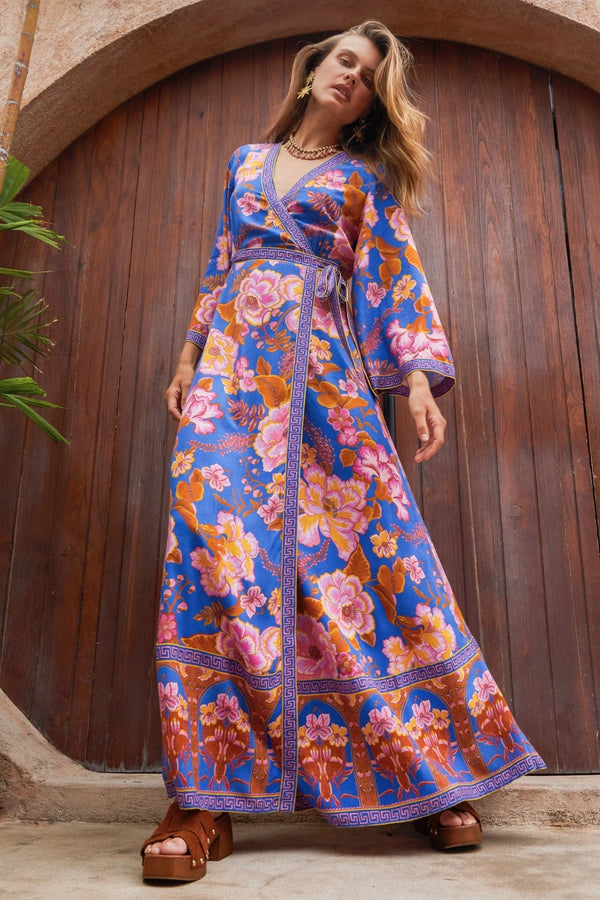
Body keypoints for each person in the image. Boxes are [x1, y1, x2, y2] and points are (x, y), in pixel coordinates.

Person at [141, 20, 545, 881]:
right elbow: (221, 265)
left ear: (371, 102)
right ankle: (203, 797)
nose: (351, 78)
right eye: (345, 62)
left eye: (368, 77)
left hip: (325, 386)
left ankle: (439, 779)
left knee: (372, 556)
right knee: (207, 553)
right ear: (315, 68)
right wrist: (186, 355)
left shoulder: (362, 180)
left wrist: (424, 383)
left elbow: (394, 274)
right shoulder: (244, 164)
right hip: (230, 386)